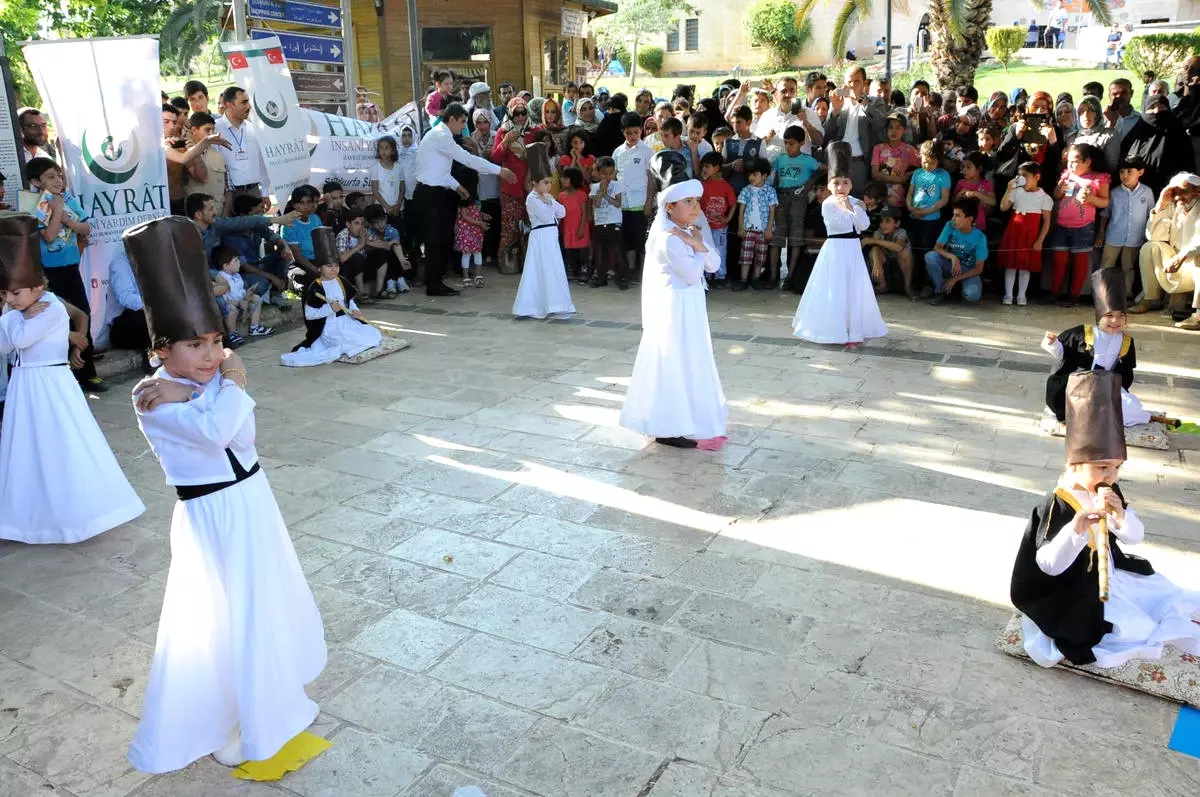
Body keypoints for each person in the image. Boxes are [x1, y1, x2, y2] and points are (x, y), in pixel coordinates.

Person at [121, 217, 325, 773]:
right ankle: (223, 719)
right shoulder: (153, 397)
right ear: (161, 349)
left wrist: (219, 380)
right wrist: (234, 377)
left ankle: (267, 703)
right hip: (213, 513)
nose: (212, 355)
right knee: (222, 617)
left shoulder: (197, 384)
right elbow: (215, 431)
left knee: (259, 606)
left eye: (216, 342)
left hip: (252, 503)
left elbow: (243, 433)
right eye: (195, 345)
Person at [1010, 369, 1200, 669]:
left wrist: (1120, 516)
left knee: (1163, 594)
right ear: (1074, 464)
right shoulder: (1057, 504)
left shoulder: (1109, 488)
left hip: (1110, 571)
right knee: (1134, 629)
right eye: (1102, 468)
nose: (1110, 476)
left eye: (1116, 468)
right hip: (1070, 589)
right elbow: (1048, 565)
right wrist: (1077, 529)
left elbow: (1134, 536)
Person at [0, 213, 144, 544]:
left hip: (51, 386)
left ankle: (72, 514)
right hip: (24, 385)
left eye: (15, 295)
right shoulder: (17, 310)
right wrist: (11, 313)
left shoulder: (50, 306)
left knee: (60, 446)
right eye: (6, 295)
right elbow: (5, 344)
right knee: (27, 448)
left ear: (38, 286)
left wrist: (10, 319)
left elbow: (20, 339)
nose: (10, 300)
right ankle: (29, 515)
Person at [619, 151, 726, 449]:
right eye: (688, 202)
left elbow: (714, 265)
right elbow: (693, 273)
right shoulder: (668, 238)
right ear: (669, 206)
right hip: (674, 308)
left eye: (696, 201)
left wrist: (697, 243)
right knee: (673, 362)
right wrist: (697, 246)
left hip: (691, 307)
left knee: (691, 361)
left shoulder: (688, 233)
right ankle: (667, 424)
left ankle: (689, 416)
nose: (695, 207)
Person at [791, 142, 887, 347]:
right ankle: (834, 330)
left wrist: (852, 207)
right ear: (829, 185)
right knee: (836, 288)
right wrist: (851, 208)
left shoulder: (852, 201)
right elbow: (842, 225)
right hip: (836, 249)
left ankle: (854, 330)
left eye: (845, 183)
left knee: (853, 289)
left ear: (851, 184)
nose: (840, 187)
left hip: (853, 250)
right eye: (836, 183)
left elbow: (863, 225)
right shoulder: (827, 204)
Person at [414, 103, 514, 296]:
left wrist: (457, 187)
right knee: (436, 240)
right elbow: (468, 160)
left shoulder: (439, 135)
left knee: (442, 239)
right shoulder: (441, 137)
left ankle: (435, 281)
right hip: (430, 196)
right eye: (461, 122)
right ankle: (434, 284)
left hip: (434, 192)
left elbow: (437, 170)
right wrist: (499, 170)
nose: (463, 126)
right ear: (451, 119)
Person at [26, 157, 106, 392]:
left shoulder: (69, 198)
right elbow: (49, 236)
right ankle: (66, 374)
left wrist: (67, 218)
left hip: (71, 268)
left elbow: (86, 228)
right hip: (49, 272)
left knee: (84, 314)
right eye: (50, 177)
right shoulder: (38, 203)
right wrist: (57, 209)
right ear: (36, 181)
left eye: (59, 175)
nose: (58, 180)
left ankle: (87, 372)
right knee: (59, 318)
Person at [1042, 269, 1149, 427]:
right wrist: (1053, 343)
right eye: (1110, 316)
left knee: (1133, 410)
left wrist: (1119, 388)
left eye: (1121, 316)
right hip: (1079, 386)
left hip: (1108, 387)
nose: (1115, 321)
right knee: (1073, 405)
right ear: (1100, 317)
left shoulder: (1126, 341)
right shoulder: (1083, 333)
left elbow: (1126, 372)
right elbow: (1063, 352)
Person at [282, 226, 382, 367]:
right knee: (346, 343)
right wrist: (329, 309)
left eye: (336, 265)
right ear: (319, 268)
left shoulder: (341, 280)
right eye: (329, 266)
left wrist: (354, 310)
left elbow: (349, 301)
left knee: (371, 333)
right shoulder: (315, 287)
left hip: (346, 321)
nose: (334, 269)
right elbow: (310, 315)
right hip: (328, 327)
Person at [513, 143, 575, 320]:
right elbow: (547, 217)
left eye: (549, 182)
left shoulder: (547, 197)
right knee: (539, 270)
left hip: (550, 237)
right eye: (545, 183)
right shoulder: (531, 199)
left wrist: (551, 201)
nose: (548, 186)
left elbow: (562, 212)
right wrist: (549, 203)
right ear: (534, 183)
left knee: (553, 269)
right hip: (540, 236)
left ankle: (556, 304)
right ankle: (532, 305)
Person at [1046, 143, 1111, 305]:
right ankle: (1054, 293)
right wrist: (1059, 190)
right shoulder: (1067, 175)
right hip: (1061, 225)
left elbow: (1105, 202)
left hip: (1083, 227)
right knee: (1059, 261)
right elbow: (1057, 196)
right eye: (1069, 161)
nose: (1071, 165)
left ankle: (1074, 296)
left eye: (1075, 161)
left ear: (1087, 161)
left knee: (1079, 263)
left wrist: (1090, 199)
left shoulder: (1099, 178)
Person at [1133, 172, 1200, 328]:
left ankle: (1198, 316)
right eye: (1174, 192)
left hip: (1191, 264)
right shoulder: (1173, 205)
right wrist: (1160, 206)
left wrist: (1181, 258)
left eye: (1182, 191)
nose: (1177, 197)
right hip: (1176, 265)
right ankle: (1151, 299)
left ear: (1197, 190)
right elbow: (1153, 235)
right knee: (1150, 247)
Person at [822, 65, 888, 195]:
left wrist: (861, 101)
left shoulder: (875, 102)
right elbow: (828, 132)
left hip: (860, 162)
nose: (852, 85)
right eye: (849, 82)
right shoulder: (838, 102)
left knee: (858, 200)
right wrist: (835, 110)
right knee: (838, 202)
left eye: (857, 81)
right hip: (838, 162)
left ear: (864, 83)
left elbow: (880, 124)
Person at [1097, 155, 1153, 300]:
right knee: (1107, 266)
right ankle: (1102, 295)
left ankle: (1126, 294)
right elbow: (1105, 214)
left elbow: (1151, 214)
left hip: (1135, 237)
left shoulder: (1147, 192)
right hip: (1113, 236)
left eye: (1130, 172)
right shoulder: (1114, 193)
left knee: (1128, 267)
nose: (1125, 176)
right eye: (1122, 172)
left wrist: (1150, 236)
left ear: (1140, 172)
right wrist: (1101, 233)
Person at [771, 126, 821, 286]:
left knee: (796, 238)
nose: (788, 147)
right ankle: (773, 276)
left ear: (801, 143)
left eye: (791, 144)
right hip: (781, 196)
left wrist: (809, 184)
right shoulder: (780, 159)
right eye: (785, 143)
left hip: (799, 198)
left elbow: (823, 169)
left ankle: (791, 276)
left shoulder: (807, 160)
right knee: (776, 237)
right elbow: (771, 174)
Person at [999, 161, 1054, 306]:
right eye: (1019, 175)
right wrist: (1008, 189)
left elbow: (1047, 221)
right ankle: (1008, 295)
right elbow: (1003, 207)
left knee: (1025, 266)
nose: (1021, 179)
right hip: (1014, 232)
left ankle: (1022, 295)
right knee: (1010, 265)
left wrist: (1040, 240)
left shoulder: (1044, 198)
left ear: (1037, 177)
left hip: (1030, 236)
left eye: (1025, 176)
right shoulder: (1016, 192)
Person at [1119, 93, 1196, 197]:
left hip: (1170, 194)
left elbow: (1187, 168)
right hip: (1135, 196)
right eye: (1152, 108)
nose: (1157, 111)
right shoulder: (1134, 135)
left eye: (1162, 107)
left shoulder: (1179, 136)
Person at [614, 112, 654, 282]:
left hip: (640, 203)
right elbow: (615, 177)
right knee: (628, 239)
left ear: (641, 132)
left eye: (636, 133)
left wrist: (648, 202)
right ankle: (630, 269)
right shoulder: (617, 152)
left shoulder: (647, 151)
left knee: (642, 240)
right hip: (623, 204)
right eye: (628, 133)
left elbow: (651, 178)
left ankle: (644, 271)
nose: (632, 136)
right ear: (623, 132)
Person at [925, 197, 987, 304]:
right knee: (930, 256)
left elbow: (978, 269)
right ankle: (940, 291)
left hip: (967, 270)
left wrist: (955, 279)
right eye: (953, 214)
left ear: (970, 219)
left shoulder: (980, 237)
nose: (953, 218)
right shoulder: (950, 225)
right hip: (950, 265)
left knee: (972, 295)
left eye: (958, 215)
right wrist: (953, 257)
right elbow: (937, 247)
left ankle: (954, 288)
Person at [215, 87, 267, 205]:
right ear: (229, 105)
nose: (249, 106)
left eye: (248, 101)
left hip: (254, 192)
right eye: (243, 102)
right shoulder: (215, 130)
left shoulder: (252, 128)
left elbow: (261, 162)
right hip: (230, 196)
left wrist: (264, 193)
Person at [210, 245, 269, 348]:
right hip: (232, 305)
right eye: (236, 260)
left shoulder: (237, 275)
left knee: (256, 298)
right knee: (231, 309)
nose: (239, 263)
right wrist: (238, 303)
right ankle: (232, 333)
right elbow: (224, 301)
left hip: (242, 303)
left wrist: (247, 297)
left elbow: (241, 291)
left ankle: (254, 327)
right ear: (225, 265)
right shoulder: (221, 279)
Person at [907, 140, 952, 271]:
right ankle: (915, 278)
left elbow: (944, 200)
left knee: (927, 249)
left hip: (931, 220)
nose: (927, 165)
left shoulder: (943, 175)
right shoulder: (917, 173)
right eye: (924, 161)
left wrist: (926, 212)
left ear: (939, 160)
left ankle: (927, 282)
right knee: (914, 249)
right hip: (914, 217)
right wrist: (910, 207)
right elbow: (910, 192)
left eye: (931, 163)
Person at [734, 157, 777, 291]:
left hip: (763, 230)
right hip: (748, 229)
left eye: (755, 174)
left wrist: (769, 229)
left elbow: (772, 211)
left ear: (764, 175)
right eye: (750, 174)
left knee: (761, 256)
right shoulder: (746, 190)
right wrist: (741, 227)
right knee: (746, 256)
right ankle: (743, 280)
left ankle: (756, 279)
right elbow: (741, 210)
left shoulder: (770, 191)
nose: (751, 177)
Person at [589, 156, 626, 289]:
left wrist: (606, 195)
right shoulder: (594, 187)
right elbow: (596, 204)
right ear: (598, 173)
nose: (608, 176)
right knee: (600, 253)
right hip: (600, 223)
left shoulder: (617, 185)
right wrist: (600, 191)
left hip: (614, 222)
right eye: (604, 173)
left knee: (618, 252)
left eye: (611, 173)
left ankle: (621, 277)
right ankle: (601, 278)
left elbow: (618, 203)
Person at [871, 112, 920, 209]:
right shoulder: (878, 148)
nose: (893, 131)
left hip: (899, 197)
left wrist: (906, 176)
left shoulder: (909, 150)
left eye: (898, 127)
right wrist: (896, 179)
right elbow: (875, 174)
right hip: (879, 193)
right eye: (890, 127)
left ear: (904, 130)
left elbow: (921, 169)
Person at [862, 205, 913, 296]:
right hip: (887, 263)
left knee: (905, 253)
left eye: (888, 221)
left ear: (897, 223)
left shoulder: (901, 232)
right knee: (874, 253)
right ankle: (882, 285)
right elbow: (875, 248)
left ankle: (907, 287)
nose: (883, 225)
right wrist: (876, 262)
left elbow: (899, 247)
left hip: (900, 264)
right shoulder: (878, 232)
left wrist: (874, 240)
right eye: (881, 221)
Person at [363, 203, 412, 296]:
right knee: (383, 251)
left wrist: (402, 260)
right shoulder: (368, 232)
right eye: (376, 222)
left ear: (386, 218)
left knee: (394, 251)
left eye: (382, 220)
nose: (380, 224)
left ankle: (397, 279)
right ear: (370, 224)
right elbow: (372, 247)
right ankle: (391, 280)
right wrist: (388, 244)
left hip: (390, 262)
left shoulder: (392, 230)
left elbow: (396, 245)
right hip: (373, 264)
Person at [453, 170, 489, 289]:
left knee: (477, 252)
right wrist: (479, 223)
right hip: (468, 230)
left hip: (476, 229)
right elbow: (464, 215)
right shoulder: (465, 196)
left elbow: (474, 211)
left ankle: (477, 276)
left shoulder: (474, 196)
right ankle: (466, 277)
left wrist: (482, 215)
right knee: (467, 253)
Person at [559, 166, 591, 283]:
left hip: (579, 227)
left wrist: (582, 228)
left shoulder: (581, 195)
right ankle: (572, 270)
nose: (562, 180)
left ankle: (584, 271)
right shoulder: (561, 196)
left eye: (565, 178)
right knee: (569, 249)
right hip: (568, 228)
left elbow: (585, 213)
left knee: (582, 250)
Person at [371, 135, 404, 226]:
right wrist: (386, 207)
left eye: (386, 148)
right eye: (381, 148)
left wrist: (398, 205)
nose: (383, 151)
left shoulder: (398, 167)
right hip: (382, 209)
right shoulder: (375, 168)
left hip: (397, 209)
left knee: (398, 235)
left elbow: (402, 188)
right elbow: (375, 190)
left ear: (393, 150)